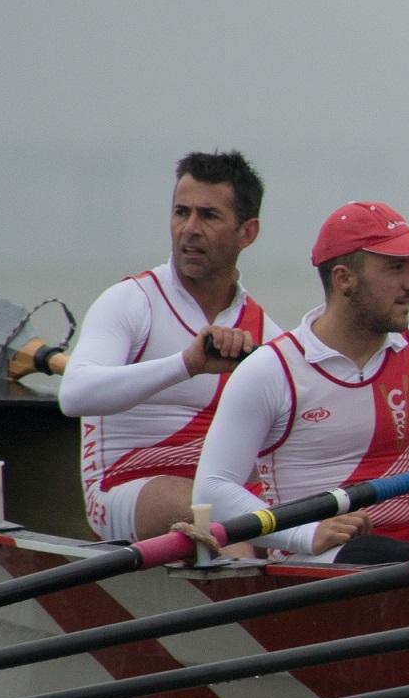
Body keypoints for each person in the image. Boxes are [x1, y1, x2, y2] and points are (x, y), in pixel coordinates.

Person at [193, 201, 409, 563]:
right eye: (396, 268)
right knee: (391, 555)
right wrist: (307, 533)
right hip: (317, 554)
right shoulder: (272, 370)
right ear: (344, 279)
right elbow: (212, 489)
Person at [58, 152, 270, 542]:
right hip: (125, 484)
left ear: (247, 232)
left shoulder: (264, 331)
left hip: (219, 489)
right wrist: (187, 364)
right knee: (218, 515)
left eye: (209, 216)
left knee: (289, 513)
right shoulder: (130, 302)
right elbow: (74, 396)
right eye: (181, 212)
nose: (189, 229)